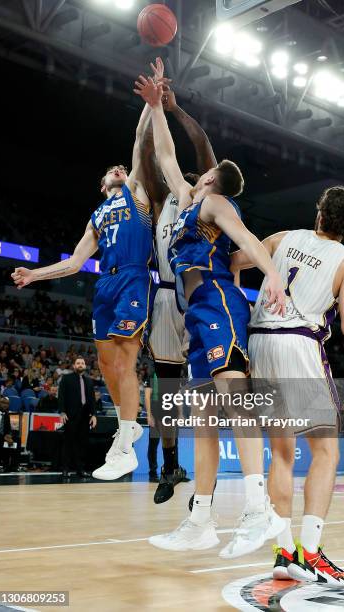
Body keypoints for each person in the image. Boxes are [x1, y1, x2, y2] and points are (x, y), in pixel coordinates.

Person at [134, 69, 286, 552]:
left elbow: (249, 244)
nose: (195, 176)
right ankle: (201, 519)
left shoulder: (216, 203)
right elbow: (165, 155)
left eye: (204, 173)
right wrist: (157, 107)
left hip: (220, 304)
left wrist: (275, 277)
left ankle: (259, 510)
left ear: (214, 178)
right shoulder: (182, 202)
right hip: (194, 316)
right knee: (203, 418)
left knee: (237, 407)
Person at [10, 63, 168, 481]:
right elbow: (75, 263)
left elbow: (139, 143)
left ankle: (127, 435)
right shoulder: (97, 215)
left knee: (126, 354)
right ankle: (126, 431)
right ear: (102, 184)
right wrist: (34, 275)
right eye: (112, 170)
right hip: (106, 284)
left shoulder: (135, 193)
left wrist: (151, 105)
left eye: (121, 168)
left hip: (135, 275)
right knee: (106, 362)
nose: (119, 169)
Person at [232, 185, 344, 585]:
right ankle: (312, 552)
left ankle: (284, 553)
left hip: (259, 341)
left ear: (319, 214)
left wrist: (235, 297)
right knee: (326, 452)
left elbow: (232, 262)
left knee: (281, 455)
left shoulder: (282, 238)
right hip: (299, 344)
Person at [141, 68, 215, 503]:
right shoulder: (160, 195)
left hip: (201, 294)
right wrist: (153, 109)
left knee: (207, 386)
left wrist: (175, 109)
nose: (189, 179)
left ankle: (206, 482)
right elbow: (156, 153)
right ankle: (171, 463)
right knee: (165, 389)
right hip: (167, 298)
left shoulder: (204, 198)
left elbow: (203, 147)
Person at [58, 356, 97, 478]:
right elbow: (61, 396)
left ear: (85, 366)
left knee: (82, 444)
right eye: (78, 363)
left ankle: (81, 469)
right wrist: (62, 412)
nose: (80, 365)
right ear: (74, 366)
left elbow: (92, 399)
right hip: (70, 416)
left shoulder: (89, 380)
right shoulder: (66, 378)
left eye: (82, 363)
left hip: (85, 416)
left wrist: (94, 414)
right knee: (68, 443)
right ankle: (65, 469)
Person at [0, 392, 12, 471]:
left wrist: (9, 435)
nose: (5, 405)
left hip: (1, 436)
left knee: (17, 440)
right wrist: (4, 436)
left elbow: (8, 428)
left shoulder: (6, 414)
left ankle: (12, 465)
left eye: (7, 404)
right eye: (3, 403)